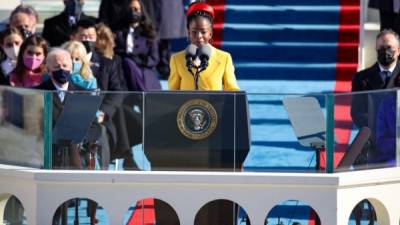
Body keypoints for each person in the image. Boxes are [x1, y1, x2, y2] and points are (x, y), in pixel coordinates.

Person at [168, 2, 240, 91]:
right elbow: (172, 93)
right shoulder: (176, 59)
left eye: (203, 32)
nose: (198, 36)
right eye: (194, 32)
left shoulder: (224, 58)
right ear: (188, 33)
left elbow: (233, 90)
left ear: (210, 33)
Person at [114, 0, 161, 91]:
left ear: (142, 11)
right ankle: (142, 96)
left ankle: (142, 95)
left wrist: (139, 61)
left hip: (143, 70)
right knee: (127, 62)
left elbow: (154, 58)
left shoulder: (149, 32)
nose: (133, 12)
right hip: (122, 70)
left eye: (136, 9)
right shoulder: (118, 32)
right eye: (130, 9)